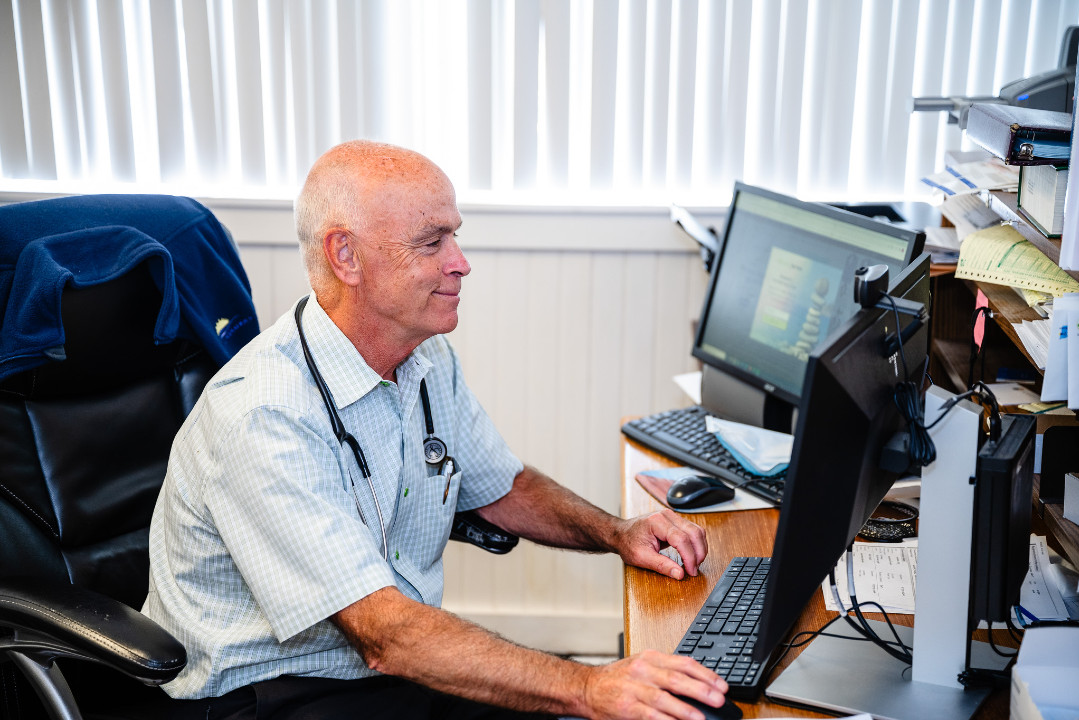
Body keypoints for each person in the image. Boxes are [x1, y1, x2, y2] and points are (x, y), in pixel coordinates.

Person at [143, 140, 730, 720]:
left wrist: (617, 532)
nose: (460, 261)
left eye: (455, 235)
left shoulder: (426, 357)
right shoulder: (264, 416)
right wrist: (588, 687)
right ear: (345, 256)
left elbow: (504, 487)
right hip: (267, 693)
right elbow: (386, 635)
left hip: (390, 669)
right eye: (432, 243)